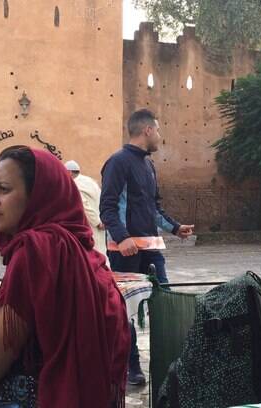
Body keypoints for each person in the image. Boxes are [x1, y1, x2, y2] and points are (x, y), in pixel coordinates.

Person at [0, 146, 130, 407]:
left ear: (37, 197)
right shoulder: (84, 255)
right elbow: (14, 329)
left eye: (4, 189)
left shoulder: (36, 252)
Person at [100, 108, 194, 385]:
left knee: (165, 305)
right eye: (159, 130)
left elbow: (152, 208)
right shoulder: (117, 162)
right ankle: (132, 369)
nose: (160, 137)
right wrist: (122, 237)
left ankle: (169, 365)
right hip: (125, 252)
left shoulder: (148, 165)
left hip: (152, 250)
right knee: (126, 313)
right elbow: (107, 207)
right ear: (147, 130)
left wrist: (175, 228)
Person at [65, 159, 108, 263]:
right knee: (101, 252)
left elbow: (84, 205)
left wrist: (97, 222)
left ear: (70, 172)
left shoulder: (74, 184)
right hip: (100, 221)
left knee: (93, 255)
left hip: (91, 223)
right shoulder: (90, 181)